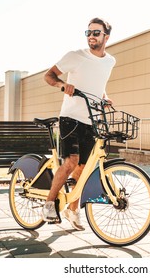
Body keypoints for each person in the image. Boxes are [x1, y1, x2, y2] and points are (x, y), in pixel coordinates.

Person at [41, 17, 116, 230]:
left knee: (83, 168)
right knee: (71, 162)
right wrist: (63, 85)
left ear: (106, 37)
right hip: (70, 118)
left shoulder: (110, 61)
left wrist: (105, 97)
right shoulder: (75, 56)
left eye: (96, 33)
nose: (91, 36)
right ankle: (48, 204)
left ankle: (72, 210)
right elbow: (49, 75)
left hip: (90, 120)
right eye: (89, 32)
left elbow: (97, 85)